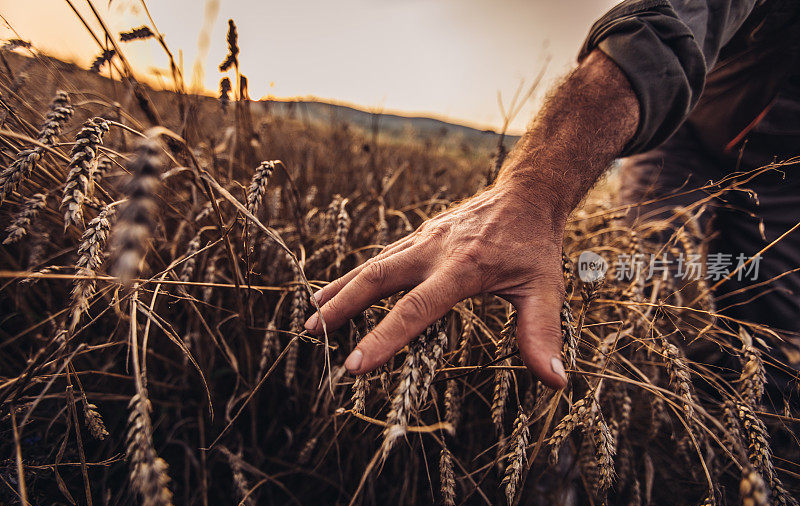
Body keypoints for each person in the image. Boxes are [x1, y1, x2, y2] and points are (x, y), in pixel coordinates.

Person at [303, 0, 800, 388]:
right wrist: (530, 196)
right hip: (685, 127)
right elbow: (663, 30)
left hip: (791, 172)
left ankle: (754, 458)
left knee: (772, 325)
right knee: (645, 280)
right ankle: (639, 399)